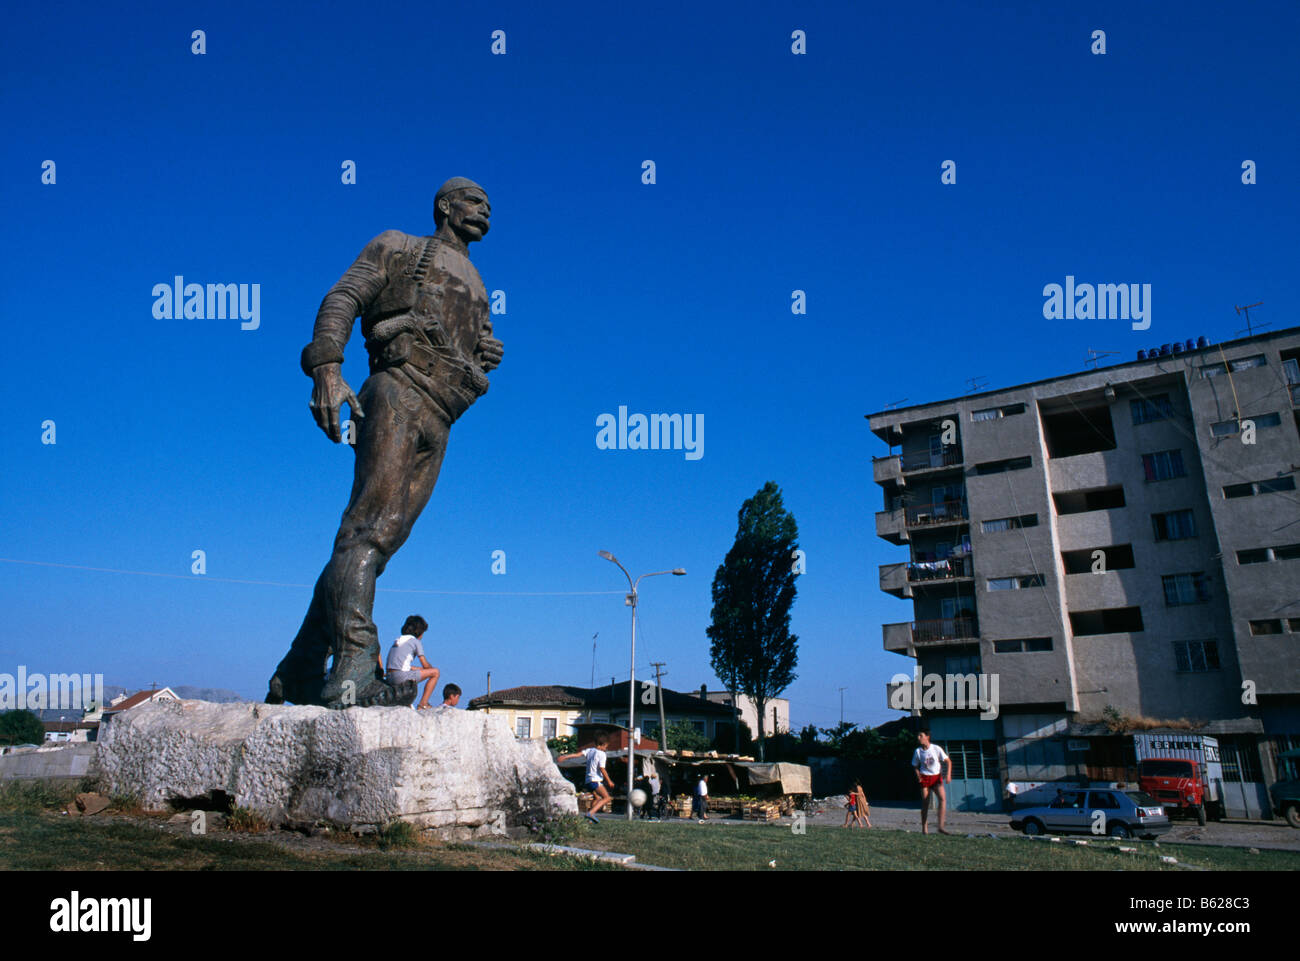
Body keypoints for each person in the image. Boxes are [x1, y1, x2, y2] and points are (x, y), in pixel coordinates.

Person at [266, 178, 503, 708]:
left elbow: (476, 343)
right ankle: (352, 666)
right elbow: (343, 296)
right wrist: (327, 366)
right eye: (474, 201)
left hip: (442, 415)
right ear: (445, 206)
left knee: (382, 540)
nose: (485, 210)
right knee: (369, 529)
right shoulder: (400, 246)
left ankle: (302, 664)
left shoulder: (480, 282)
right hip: (396, 393)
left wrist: (482, 351)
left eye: (489, 206)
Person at [384, 616, 439, 710]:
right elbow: (425, 665)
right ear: (419, 631)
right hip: (401, 677)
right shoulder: (415, 642)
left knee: (419, 670)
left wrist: (421, 670)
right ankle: (423, 704)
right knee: (435, 672)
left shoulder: (397, 640)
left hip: (389, 677)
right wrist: (430, 669)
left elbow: (402, 665)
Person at [557, 733, 615, 824]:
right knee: (607, 798)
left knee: (597, 798)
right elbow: (602, 769)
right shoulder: (602, 754)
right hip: (595, 780)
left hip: (588, 780)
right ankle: (591, 813)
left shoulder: (590, 750)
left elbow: (577, 755)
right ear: (603, 745)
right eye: (606, 746)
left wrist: (565, 757)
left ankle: (589, 820)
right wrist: (609, 781)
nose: (606, 748)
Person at [912, 729, 952, 834]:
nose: (918, 738)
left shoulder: (936, 748)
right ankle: (924, 828)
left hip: (936, 777)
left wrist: (948, 775)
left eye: (921, 736)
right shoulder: (918, 751)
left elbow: (948, 761)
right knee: (925, 802)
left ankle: (941, 826)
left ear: (927, 737)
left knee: (942, 799)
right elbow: (915, 765)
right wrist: (918, 775)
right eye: (918, 736)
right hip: (925, 778)